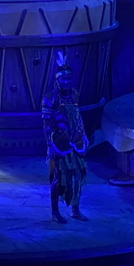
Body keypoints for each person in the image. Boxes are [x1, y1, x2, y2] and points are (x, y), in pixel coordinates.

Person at [42, 52, 89, 224]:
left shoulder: (74, 94)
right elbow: (46, 123)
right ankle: (55, 212)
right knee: (59, 178)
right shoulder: (50, 98)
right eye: (63, 79)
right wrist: (50, 145)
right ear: (57, 80)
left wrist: (83, 136)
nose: (67, 82)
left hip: (76, 142)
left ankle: (75, 210)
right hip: (59, 142)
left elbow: (77, 116)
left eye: (69, 79)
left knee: (78, 176)